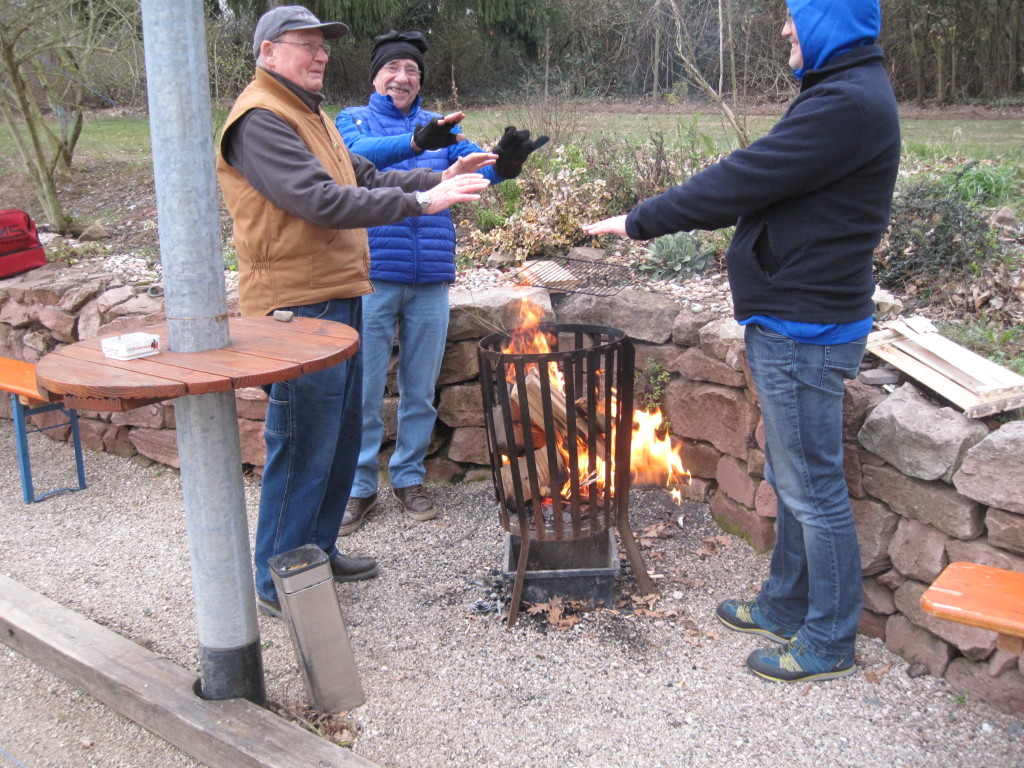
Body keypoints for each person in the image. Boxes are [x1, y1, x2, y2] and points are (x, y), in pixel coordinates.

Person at [584, 0, 899, 682]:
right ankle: (786, 604)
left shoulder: (846, 103)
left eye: (794, 16)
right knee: (794, 482)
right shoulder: (842, 94)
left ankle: (828, 641)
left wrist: (640, 220)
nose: (784, 28)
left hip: (804, 330)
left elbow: (742, 179)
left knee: (812, 489)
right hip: (795, 320)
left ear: (827, 21)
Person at [215, 6, 494, 618]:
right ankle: (275, 579)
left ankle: (316, 549)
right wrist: (424, 201)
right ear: (267, 53)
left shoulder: (307, 114)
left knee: (339, 436)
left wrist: (443, 172)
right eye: (304, 46)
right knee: (302, 440)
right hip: (294, 306)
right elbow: (317, 200)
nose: (319, 56)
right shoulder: (261, 119)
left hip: (336, 292)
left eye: (323, 47)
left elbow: (363, 172)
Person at [334, 30, 548, 532]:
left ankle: (409, 478)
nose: (402, 77)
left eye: (411, 71)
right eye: (393, 69)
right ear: (375, 76)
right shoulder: (353, 120)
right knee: (363, 389)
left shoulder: (441, 127)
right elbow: (354, 158)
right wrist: (414, 142)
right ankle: (360, 487)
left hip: (430, 276)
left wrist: (507, 164)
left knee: (420, 388)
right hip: (372, 276)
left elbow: (477, 169)